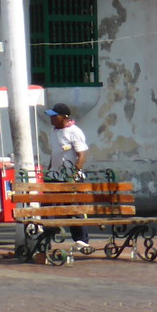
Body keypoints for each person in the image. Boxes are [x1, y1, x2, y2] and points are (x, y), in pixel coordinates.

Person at [46, 104, 93, 254]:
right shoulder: (53, 132)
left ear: (64, 117)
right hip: (56, 176)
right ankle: (47, 237)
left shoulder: (74, 132)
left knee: (75, 209)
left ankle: (81, 240)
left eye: (55, 115)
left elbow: (82, 156)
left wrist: (72, 176)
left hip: (71, 178)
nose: (51, 118)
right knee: (50, 208)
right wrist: (49, 171)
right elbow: (55, 154)